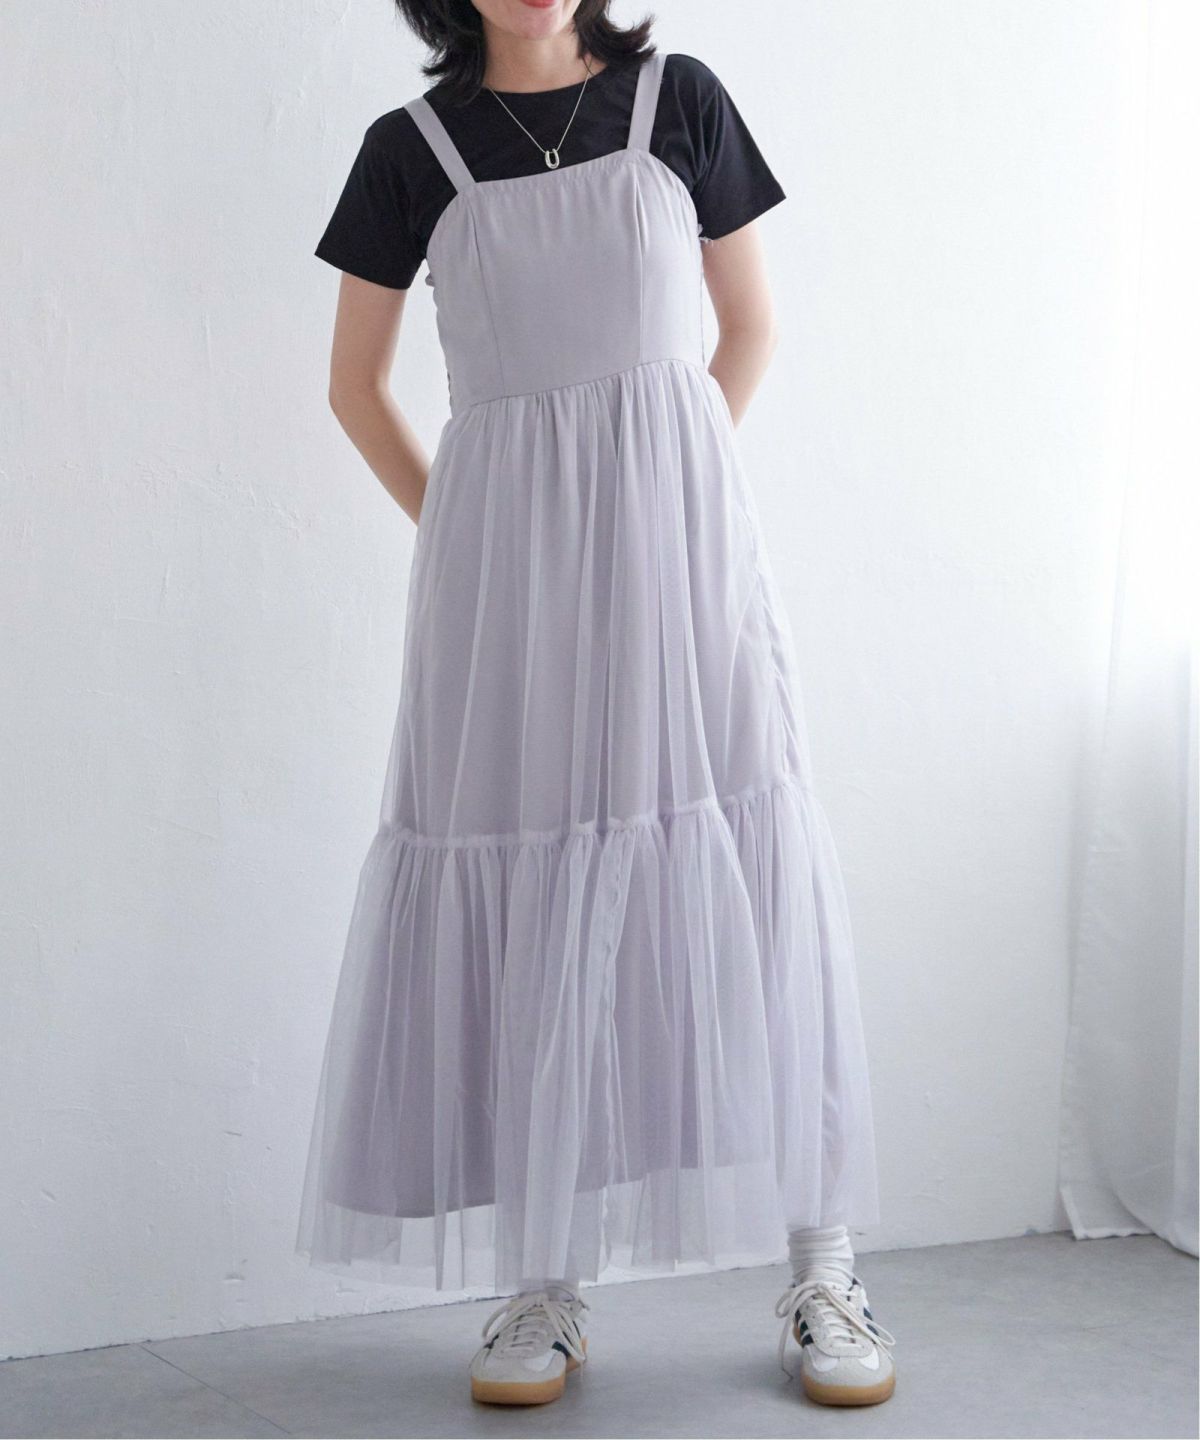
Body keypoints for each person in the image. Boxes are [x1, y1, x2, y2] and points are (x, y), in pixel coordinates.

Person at [296, 0, 896, 1409]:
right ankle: (544, 1282)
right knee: (533, 873)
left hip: (686, 569)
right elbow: (353, 386)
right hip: (504, 601)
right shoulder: (410, 149)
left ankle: (825, 1268)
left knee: (745, 841)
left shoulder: (679, 99)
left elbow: (748, 326)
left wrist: (666, 510)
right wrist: (473, 538)